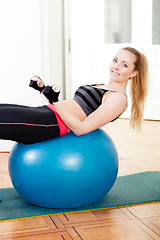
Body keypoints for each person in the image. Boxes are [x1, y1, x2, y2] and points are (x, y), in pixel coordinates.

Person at [0, 47, 148, 144]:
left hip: (48, 124)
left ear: (133, 73)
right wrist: (42, 90)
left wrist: (55, 101)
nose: (116, 66)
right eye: (115, 60)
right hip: (43, 112)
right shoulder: (99, 84)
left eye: (124, 65)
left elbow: (81, 128)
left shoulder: (118, 98)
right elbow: (72, 107)